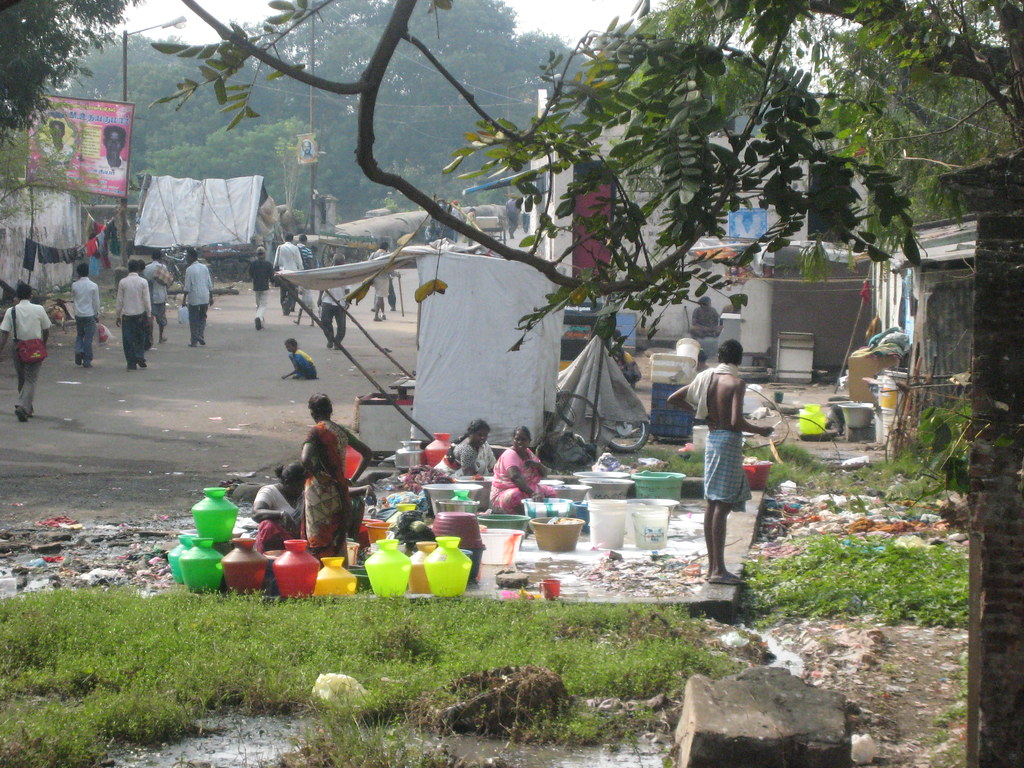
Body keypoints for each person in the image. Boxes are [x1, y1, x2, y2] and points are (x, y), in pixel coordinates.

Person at [667, 339, 772, 585]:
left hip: (713, 439)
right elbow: (736, 422)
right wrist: (760, 430)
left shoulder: (707, 377)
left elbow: (674, 398)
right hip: (728, 442)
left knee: (712, 503)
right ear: (739, 359)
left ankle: (713, 568)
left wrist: (700, 415)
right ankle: (718, 570)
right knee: (722, 506)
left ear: (720, 358)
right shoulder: (736, 382)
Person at [301, 393, 373, 558]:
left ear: (312, 413)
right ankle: (338, 572)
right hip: (339, 492)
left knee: (318, 536)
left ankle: (321, 573)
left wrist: (319, 475)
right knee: (337, 536)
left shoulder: (316, 431)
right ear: (330, 411)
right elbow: (367, 453)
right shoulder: (341, 431)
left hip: (319, 493)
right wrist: (352, 480)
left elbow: (305, 459)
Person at [0, 282, 52, 422]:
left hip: (18, 348)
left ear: (17, 295)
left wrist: (0, 350)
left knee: (22, 379)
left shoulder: (11, 311)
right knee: (31, 379)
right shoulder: (39, 309)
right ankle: (23, 406)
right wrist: (43, 344)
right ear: (30, 295)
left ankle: (28, 407)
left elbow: (4, 333)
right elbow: (46, 329)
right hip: (34, 347)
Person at [490, 426, 558, 513]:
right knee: (517, 495)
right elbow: (515, 477)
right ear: (512, 440)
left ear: (529, 441)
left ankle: (544, 517)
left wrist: (538, 465)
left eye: (523, 440)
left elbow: (544, 474)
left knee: (550, 492)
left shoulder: (529, 454)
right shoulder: (510, 454)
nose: (520, 442)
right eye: (517, 439)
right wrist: (533, 493)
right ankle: (527, 517)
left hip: (525, 489)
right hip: (503, 494)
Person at [253, 462, 306, 554]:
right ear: (286, 482)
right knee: (267, 525)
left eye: (303, 486)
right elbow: (256, 513)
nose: (301, 489)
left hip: (298, 542)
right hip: (275, 546)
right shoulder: (269, 491)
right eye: (298, 486)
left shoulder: (304, 494)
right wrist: (281, 514)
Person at [116, 259, 151, 371]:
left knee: (128, 340)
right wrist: (149, 314)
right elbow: (146, 300)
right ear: (138, 269)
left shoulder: (122, 282)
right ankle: (140, 355)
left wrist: (117, 315)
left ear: (128, 269)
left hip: (127, 315)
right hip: (140, 314)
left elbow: (120, 300)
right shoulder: (143, 282)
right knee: (140, 337)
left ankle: (131, 362)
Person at [182, 247, 213, 347]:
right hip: (205, 295)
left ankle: (194, 340)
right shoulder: (204, 267)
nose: (186, 258)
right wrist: (211, 297)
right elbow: (209, 282)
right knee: (202, 317)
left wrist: (183, 300)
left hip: (194, 297)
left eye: (187, 256)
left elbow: (187, 287)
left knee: (193, 319)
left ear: (191, 257)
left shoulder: (189, 269)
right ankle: (200, 334)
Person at [71, 262, 100, 368]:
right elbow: (96, 302)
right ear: (88, 272)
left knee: (80, 335)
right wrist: (97, 313)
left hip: (79, 314)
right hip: (89, 314)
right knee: (88, 337)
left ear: (78, 273)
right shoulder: (93, 286)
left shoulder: (74, 285)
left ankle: (79, 350)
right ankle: (87, 360)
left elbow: (74, 299)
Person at [143, 252, 173, 345]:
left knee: (150, 317)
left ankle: (150, 337)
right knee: (161, 318)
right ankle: (160, 337)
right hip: (161, 295)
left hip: (150, 296)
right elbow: (167, 281)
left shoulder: (146, 268)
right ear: (161, 257)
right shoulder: (163, 267)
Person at [273, 234, 303, 316]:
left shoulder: (280, 247)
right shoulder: (295, 248)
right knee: (292, 290)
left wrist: (274, 270)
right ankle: (289, 305)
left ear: (284, 239)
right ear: (292, 239)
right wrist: (301, 271)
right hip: (293, 272)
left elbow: (276, 261)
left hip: (283, 272)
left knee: (283, 290)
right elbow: (299, 262)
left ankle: (283, 304)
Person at [293, 235, 318, 326]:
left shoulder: (294, 249)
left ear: (299, 241)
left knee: (303, 297)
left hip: (296, 275)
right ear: (306, 241)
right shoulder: (308, 251)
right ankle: (312, 321)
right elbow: (310, 263)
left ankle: (299, 320)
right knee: (307, 298)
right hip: (306, 275)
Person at [248, 246, 274, 331]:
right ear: (265, 254)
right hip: (264, 287)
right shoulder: (268, 264)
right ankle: (258, 317)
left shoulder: (253, 264)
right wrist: (273, 282)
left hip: (256, 287)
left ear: (257, 255)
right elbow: (271, 276)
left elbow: (250, 274)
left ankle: (260, 322)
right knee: (263, 305)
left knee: (258, 305)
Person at [318, 283, 348, 349]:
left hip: (341, 302)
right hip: (327, 300)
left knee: (341, 325)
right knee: (325, 322)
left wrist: (348, 300)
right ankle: (330, 339)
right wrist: (320, 298)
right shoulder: (327, 273)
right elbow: (322, 286)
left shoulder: (345, 274)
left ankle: (337, 342)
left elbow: (347, 289)